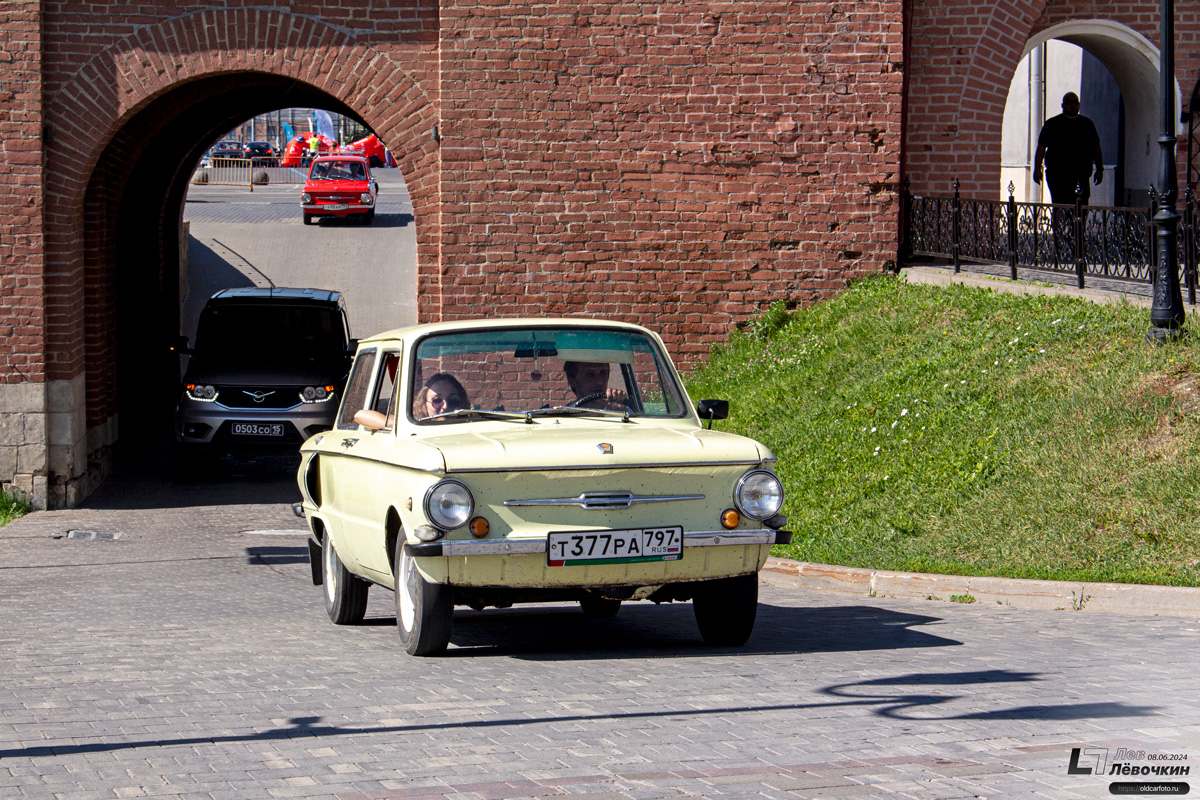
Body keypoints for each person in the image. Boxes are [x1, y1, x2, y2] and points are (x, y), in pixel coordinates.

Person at [1033, 92, 1104, 205]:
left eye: (1075, 102)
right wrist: (1037, 169)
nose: (1072, 105)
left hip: (1081, 175)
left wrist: (1100, 169)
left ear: (1079, 105)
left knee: (1081, 209)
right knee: (1061, 207)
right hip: (1058, 176)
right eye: (1069, 102)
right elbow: (1041, 148)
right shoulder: (1052, 124)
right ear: (1063, 105)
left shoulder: (1087, 124)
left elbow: (1096, 148)